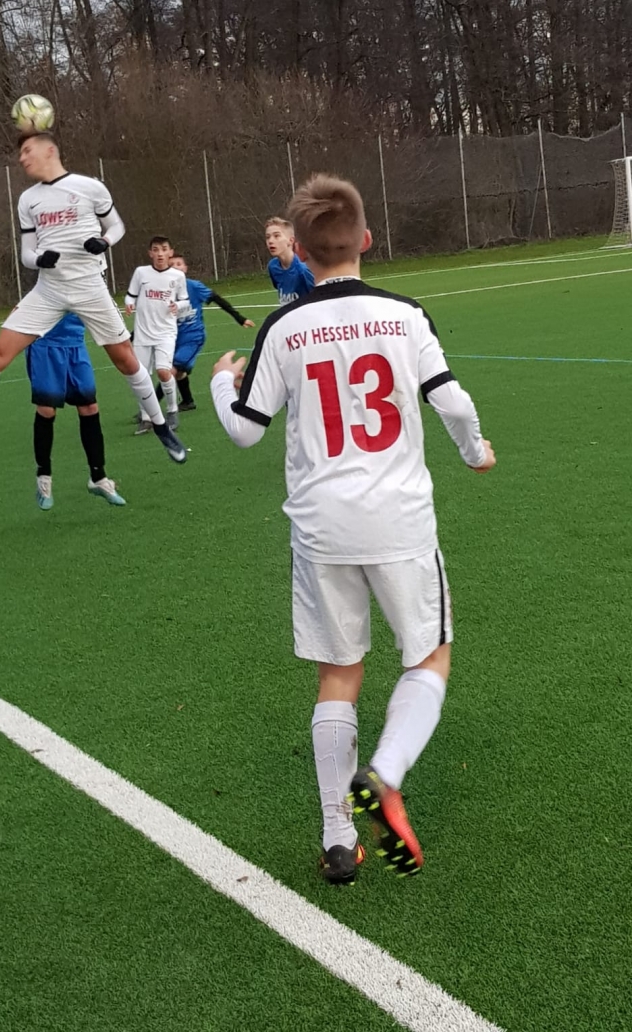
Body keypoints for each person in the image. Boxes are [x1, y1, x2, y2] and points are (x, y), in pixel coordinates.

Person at [211, 175, 496, 885]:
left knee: (338, 674)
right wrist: (475, 452)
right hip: (400, 521)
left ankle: (338, 838)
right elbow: (454, 404)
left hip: (321, 528)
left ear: (301, 253)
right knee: (428, 658)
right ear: (366, 239)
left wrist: (220, 380)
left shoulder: (284, 327)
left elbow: (245, 432)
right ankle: (386, 773)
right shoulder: (404, 315)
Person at [0, 133, 186, 465]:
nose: (22, 158)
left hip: (89, 286)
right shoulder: (28, 199)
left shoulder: (90, 187)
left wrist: (104, 241)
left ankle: (162, 427)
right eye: (20, 153)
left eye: (27, 151)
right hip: (49, 290)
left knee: (125, 358)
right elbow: (27, 254)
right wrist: (40, 259)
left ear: (50, 150)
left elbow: (117, 226)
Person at [26, 312, 126, 511]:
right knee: (47, 409)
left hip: (75, 344)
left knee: (89, 407)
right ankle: (44, 477)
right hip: (45, 345)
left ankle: (98, 477)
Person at [152, 254, 255, 412]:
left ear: (185, 268)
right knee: (179, 372)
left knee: (169, 370)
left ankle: (150, 409)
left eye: (179, 264)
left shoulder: (194, 287)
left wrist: (239, 318)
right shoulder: (164, 292)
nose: (176, 267)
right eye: (171, 265)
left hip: (193, 337)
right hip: (174, 339)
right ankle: (188, 401)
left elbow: (217, 298)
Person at [125, 236, 189, 434]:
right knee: (141, 377)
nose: (160, 253)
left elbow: (185, 301)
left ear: (170, 252)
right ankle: (146, 418)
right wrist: (129, 303)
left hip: (166, 333)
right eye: (156, 249)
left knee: (163, 371)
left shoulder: (177, 276)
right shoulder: (141, 273)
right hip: (143, 333)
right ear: (150, 253)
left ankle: (172, 410)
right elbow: (130, 295)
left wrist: (177, 305)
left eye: (164, 249)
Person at [265, 216, 314, 304]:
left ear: (291, 240)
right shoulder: (272, 266)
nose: (270, 241)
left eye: (276, 236)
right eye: (268, 237)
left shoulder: (303, 270)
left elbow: (320, 299)